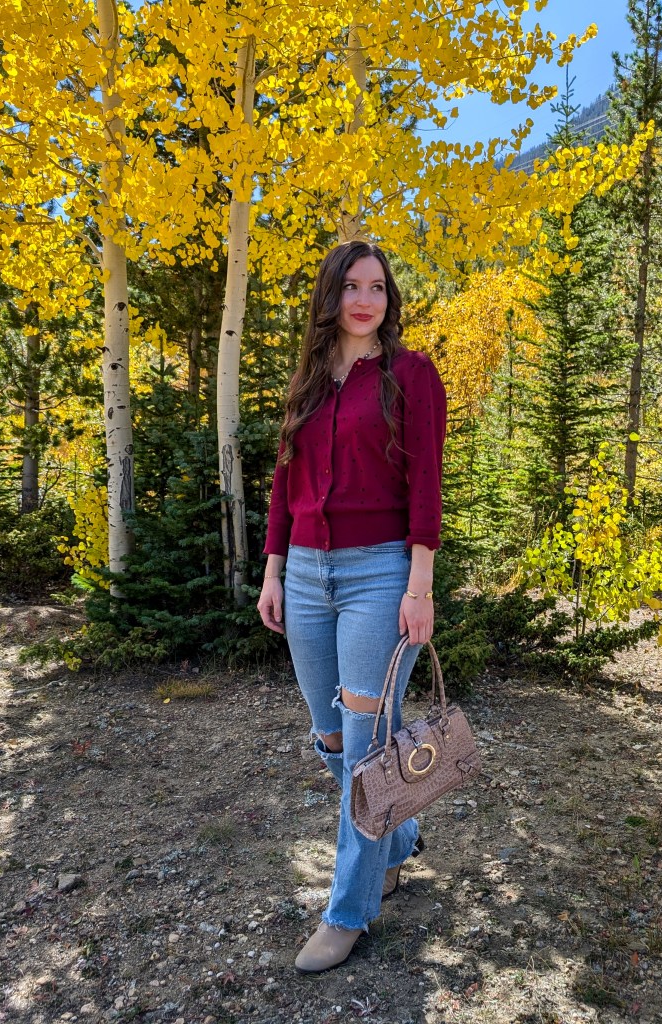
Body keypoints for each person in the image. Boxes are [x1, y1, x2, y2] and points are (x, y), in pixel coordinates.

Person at [257, 239, 446, 974]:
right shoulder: (306, 380)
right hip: (304, 574)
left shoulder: (410, 374)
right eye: (351, 287)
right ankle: (395, 840)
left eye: (378, 287)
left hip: (377, 575)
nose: (365, 300)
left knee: (369, 746)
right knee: (332, 738)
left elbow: (426, 483)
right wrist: (273, 571)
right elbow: (282, 483)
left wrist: (418, 584)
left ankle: (348, 911)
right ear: (330, 296)